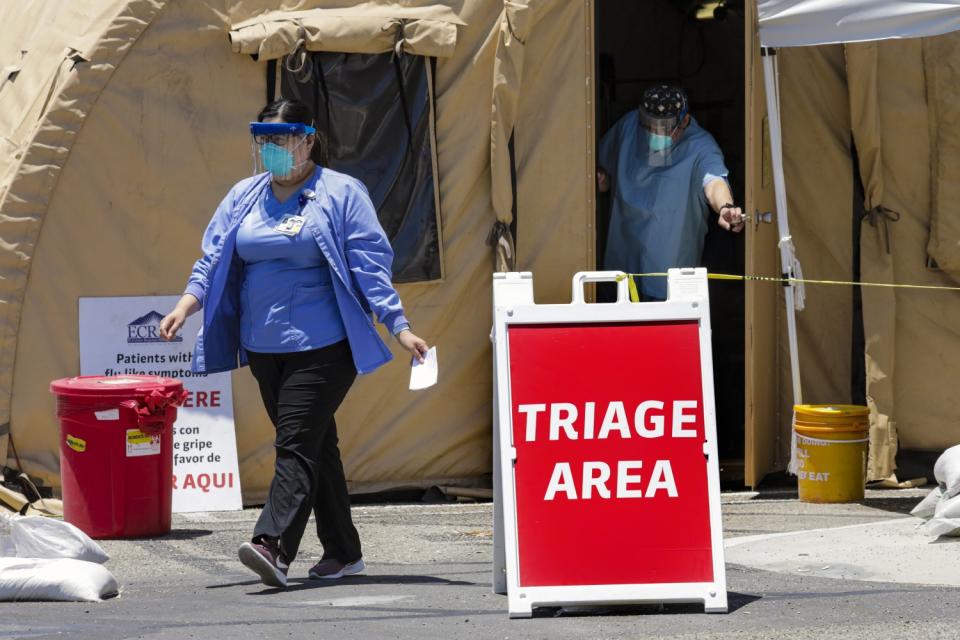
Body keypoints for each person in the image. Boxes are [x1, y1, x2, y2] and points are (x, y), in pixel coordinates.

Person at [159, 98, 428, 588]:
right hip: (264, 346)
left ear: (307, 140)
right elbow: (213, 260)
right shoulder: (244, 196)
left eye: (282, 140)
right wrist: (185, 305)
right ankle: (344, 552)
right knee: (317, 445)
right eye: (264, 140)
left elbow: (370, 264)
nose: (272, 150)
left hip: (326, 344)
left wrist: (399, 324)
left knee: (296, 443)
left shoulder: (342, 193)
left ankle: (272, 545)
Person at [597, 85, 744, 301]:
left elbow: (713, 182)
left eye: (663, 127)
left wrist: (725, 207)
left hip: (667, 281)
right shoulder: (628, 127)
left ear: (684, 121)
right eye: (648, 125)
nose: (653, 133)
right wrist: (599, 180)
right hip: (620, 270)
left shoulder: (700, 147)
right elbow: (602, 172)